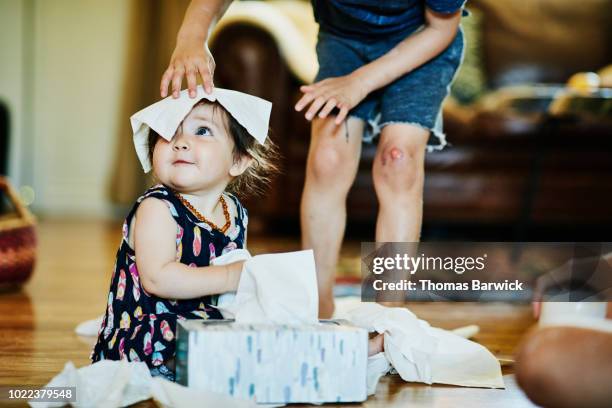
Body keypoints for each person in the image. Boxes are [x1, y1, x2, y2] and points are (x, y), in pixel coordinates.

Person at [160, 0, 466, 318]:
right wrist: (192, 38)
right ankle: (319, 304)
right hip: (344, 40)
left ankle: (389, 316)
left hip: (421, 41)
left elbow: (441, 27)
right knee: (327, 159)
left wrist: (359, 83)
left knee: (398, 159)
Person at [91, 93, 278, 381]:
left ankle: (345, 345)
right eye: (168, 132)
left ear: (238, 161)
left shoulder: (235, 212)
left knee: (269, 329)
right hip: (149, 336)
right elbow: (157, 279)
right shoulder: (157, 207)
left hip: (205, 325)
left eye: (202, 130)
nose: (179, 141)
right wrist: (231, 276)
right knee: (246, 357)